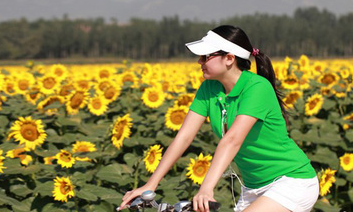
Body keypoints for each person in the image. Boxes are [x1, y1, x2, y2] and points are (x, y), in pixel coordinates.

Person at [117, 25, 319, 212]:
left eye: (205, 57)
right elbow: (184, 137)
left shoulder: (257, 88)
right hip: (252, 187)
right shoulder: (209, 88)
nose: (200, 62)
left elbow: (232, 140)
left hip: (291, 180)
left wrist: (206, 189)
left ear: (229, 58)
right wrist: (150, 184)